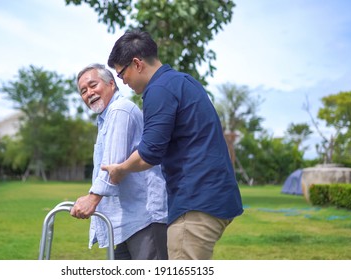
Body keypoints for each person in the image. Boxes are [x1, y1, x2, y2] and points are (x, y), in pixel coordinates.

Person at [102, 30, 244, 260]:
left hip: (196, 202)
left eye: (121, 74)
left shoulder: (159, 90)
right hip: (211, 197)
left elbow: (149, 153)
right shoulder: (182, 81)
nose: (123, 81)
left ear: (136, 64)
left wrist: (120, 169)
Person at [69, 63, 168, 260]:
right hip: (123, 220)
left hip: (144, 217)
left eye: (93, 85)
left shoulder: (120, 110)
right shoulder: (105, 119)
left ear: (111, 84)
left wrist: (92, 199)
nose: (89, 93)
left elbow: (112, 164)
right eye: (83, 91)